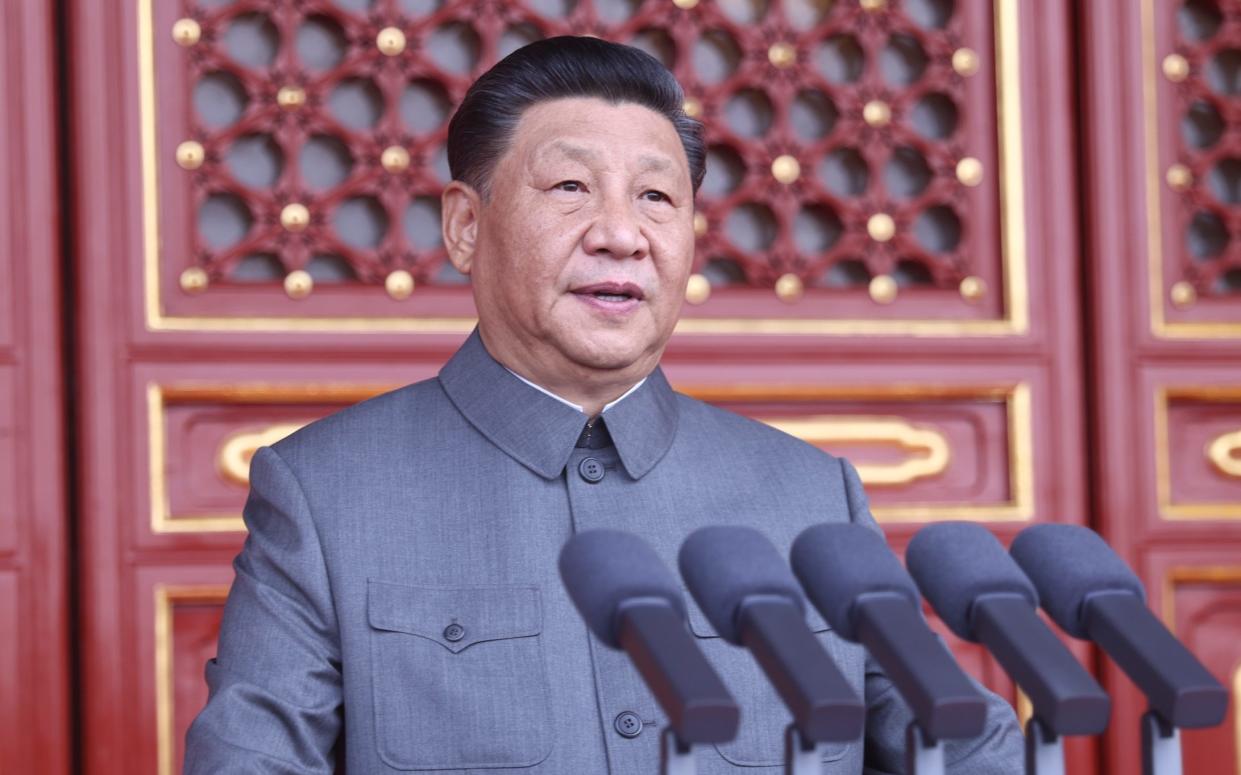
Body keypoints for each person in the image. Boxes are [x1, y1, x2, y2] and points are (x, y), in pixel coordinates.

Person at [185, 36, 1022, 773]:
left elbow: (964, 746)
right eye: (571, 187)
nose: (621, 232)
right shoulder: (327, 495)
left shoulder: (807, 496)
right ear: (465, 226)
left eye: (656, 197)